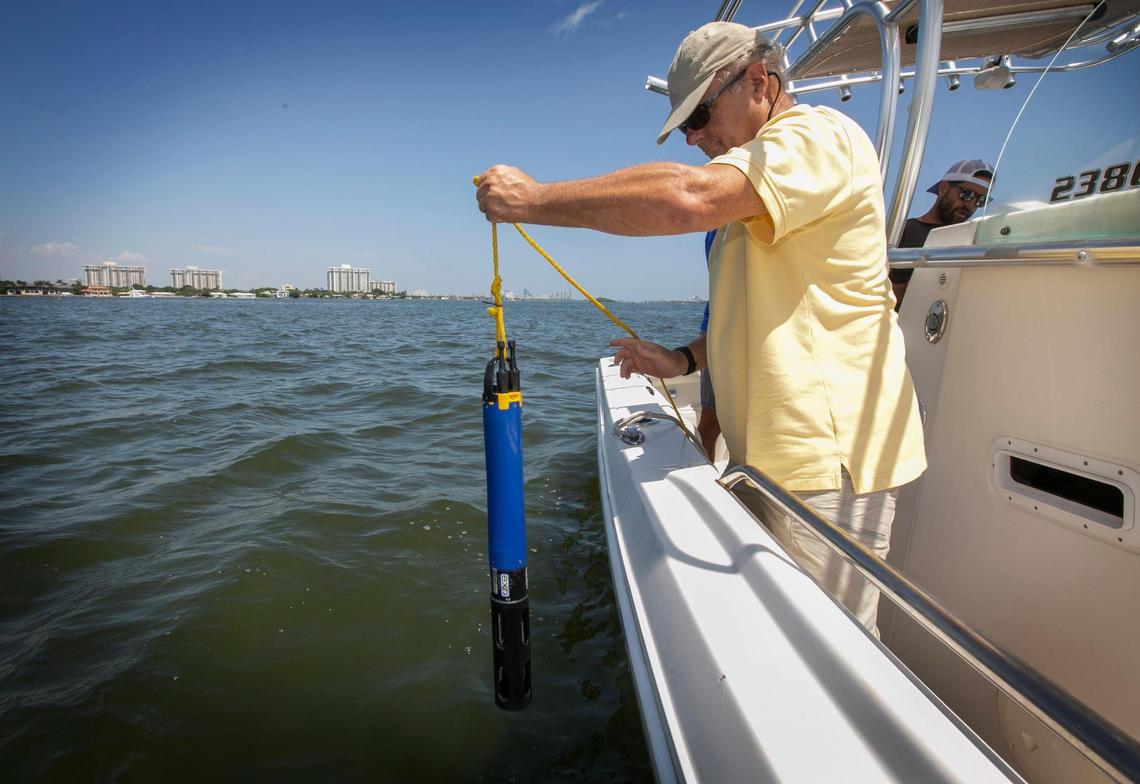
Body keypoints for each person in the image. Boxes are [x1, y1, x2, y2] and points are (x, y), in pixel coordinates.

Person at [476, 22, 926, 635]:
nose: (693, 137)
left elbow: (685, 197)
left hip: (825, 468)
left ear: (760, 82)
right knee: (778, 636)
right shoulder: (755, 190)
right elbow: (765, 311)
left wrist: (533, 199)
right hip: (770, 461)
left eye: (700, 115)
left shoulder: (817, 136)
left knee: (830, 652)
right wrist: (683, 361)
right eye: (684, 125)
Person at [892, 160, 993, 307]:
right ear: (943, 188)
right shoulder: (900, 232)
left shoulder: (971, 243)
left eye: (980, 200)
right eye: (966, 194)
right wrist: (912, 288)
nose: (970, 205)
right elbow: (868, 290)